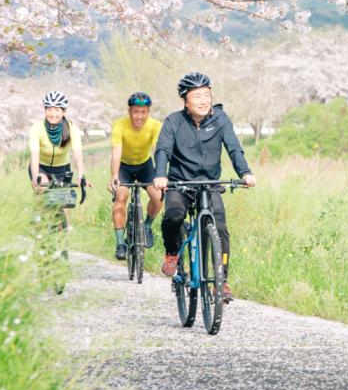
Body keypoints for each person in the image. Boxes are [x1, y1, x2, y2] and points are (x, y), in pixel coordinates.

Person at [153, 71, 255, 301]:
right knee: (173, 216)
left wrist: (245, 172)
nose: (203, 100)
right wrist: (161, 174)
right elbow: (163, 150)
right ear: (185, 100)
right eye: (197, 96)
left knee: (220, 228)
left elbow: (234, 148)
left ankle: (222, 280)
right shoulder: (173, 122)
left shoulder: (220, 119)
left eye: (207, 95)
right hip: (181, 184)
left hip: (209, 185)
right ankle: (171, 253)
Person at [109, 91, 164, 260]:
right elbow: (116, 152)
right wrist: (114, 176)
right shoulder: (119, 125)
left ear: (148, 112)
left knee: (158, 196)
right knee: (121, 197)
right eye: (135, 112)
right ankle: (120, 244)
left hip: (145, 166)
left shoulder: (155, 125)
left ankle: (146, 226)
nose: (139, 116)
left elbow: (157, 150)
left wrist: (161, 174)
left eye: (143, 112)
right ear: (129, 111)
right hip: (124, 167)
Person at [28, 90, 87, 195]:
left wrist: (81, 175)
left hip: (62, 169)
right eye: (49, 109)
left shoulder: (72, 129)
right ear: (45, 110)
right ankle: (41, 208)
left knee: (65, 204)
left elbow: (78, 156)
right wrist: (35, 175)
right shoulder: (36, 128)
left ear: (63, 112)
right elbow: (34, 155)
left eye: (57, 110)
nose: (52, 114)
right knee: (43, 188)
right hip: (41, 167)